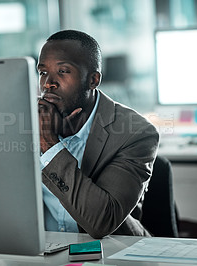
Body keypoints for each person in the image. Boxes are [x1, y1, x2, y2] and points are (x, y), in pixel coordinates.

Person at [37, 30, 159, 239]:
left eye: (63, 71)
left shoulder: (136, 132)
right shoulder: (27, 122)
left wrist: (49, 144)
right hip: (41, 252)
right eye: (42, 72)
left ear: (93, 80)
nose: (48, 83)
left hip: (112, 252)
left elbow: (102, 221)